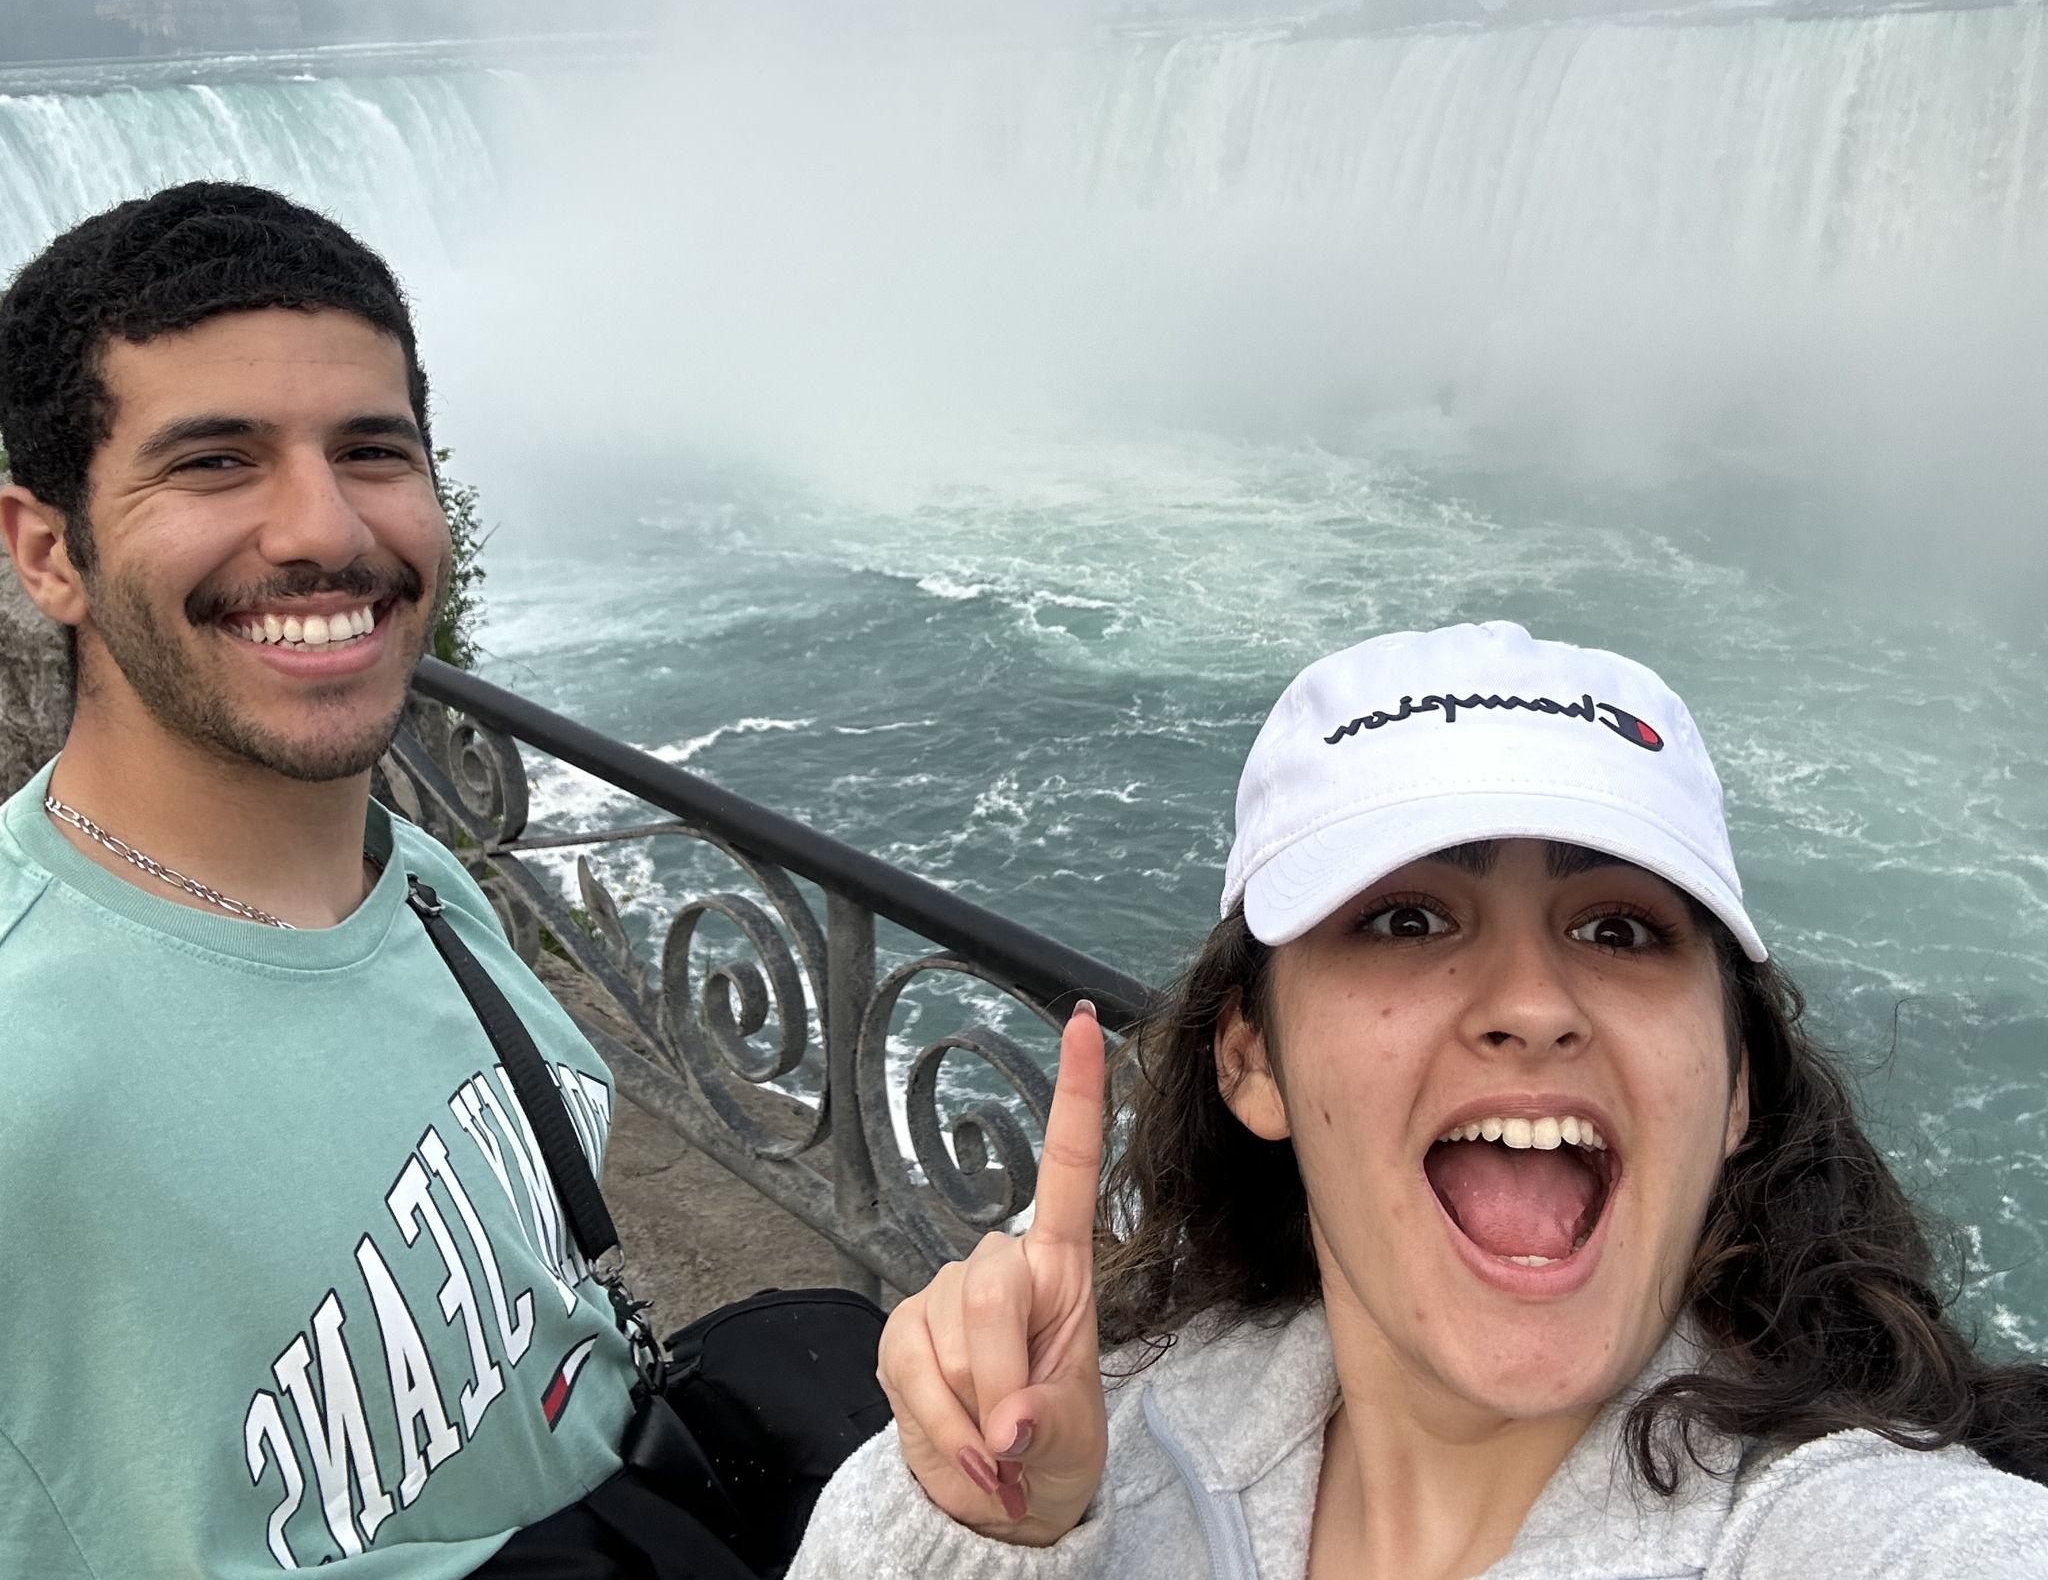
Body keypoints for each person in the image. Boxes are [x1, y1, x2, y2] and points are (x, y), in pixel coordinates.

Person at [791, 621, 2048, 1578]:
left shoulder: (1867, 1534)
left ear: (1734, 1086)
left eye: (1617, 927)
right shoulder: (1096, 1436)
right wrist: (991, 1536)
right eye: (1405, 918)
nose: (1532, 1000)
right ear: (1251, 1061)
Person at [0, 183, 737, 1577]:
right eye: (215, 461)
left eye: (371, 451)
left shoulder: (420, 887)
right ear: (51, 552)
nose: (324, 530)